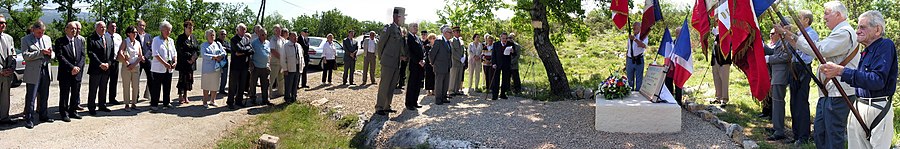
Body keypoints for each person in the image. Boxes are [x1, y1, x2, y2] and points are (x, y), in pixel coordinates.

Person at [777, 1, 859, 148]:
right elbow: (812, 48)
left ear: (838, 15)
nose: (823, 17)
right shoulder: (838, 32)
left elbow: (820, 49)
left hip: (839, 93)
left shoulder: (844, 32)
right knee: (820, 133)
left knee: (833, 135)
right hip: (829, 91)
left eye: (827, 13)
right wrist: (790, 35)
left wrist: (789, 34)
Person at [820, 10, 895, 149]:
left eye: (863, 27)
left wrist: (841, 71)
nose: (857, 31)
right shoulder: (865, 51)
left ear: (877, 30)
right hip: (859, 105)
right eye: (858, 27)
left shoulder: (885, 46)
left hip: (878, 107)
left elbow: (877, 80)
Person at [785, 9, 818, 145]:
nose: (797, 20)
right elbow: (793, 46)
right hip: (794, 67)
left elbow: (805, 51)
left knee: (801, 102)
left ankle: (803, 136)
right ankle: (796, 134)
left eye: (800, 18)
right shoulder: (799, 33)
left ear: (806, 20)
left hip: (803, 68)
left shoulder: (811, 34)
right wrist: (786, 33)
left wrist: (788, 34)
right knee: (793, 102)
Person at [374, 7, 408, 115]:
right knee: (385, 85)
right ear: (396, 17)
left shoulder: (399, 30)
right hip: (388, 62)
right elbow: (381, 44)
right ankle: (379, 107)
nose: (404, 19)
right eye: (403, 17)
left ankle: (387, 106)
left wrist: (401, 56)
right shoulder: (388, 28)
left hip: (396, 63)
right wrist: (382, 58)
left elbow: (399, 47)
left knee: (392, 85)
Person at [22, 20, 55, 128]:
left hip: (46, 69)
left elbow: (53, 53)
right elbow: (26, 55)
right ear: (33, 30)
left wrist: (50, 54)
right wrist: (40, 52)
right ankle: (29, 118)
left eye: (43, 32)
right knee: (31, 96)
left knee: (44, 95)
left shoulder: (47, 38)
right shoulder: (26, 39)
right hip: (33, 71)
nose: (41, 34)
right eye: (39, 32)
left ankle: (43, 115)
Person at [764, 28, 792, 141]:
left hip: (781, 74)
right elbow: (775, 52)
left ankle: (779, 130)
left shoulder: (788, 40)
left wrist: (769, 59)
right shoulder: (781, 40)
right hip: (776, 74)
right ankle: (776, 127)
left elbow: (786, 56)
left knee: (778, 102)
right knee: (776, 102)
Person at [54, 21, 84, 122]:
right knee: (64, 94)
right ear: (66, 29)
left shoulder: (79, 41)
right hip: (66, 72)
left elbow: (83, 56)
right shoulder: (60, 41)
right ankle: (64, 113)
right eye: (71, 28)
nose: (74, 30)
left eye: (75, 29)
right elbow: (60, 56)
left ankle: (73, 111)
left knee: (75, 93)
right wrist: (72, 68)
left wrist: (78, 67)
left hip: (77, 72)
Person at [150, 21, 178, 111]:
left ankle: (166, 102)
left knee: (167, 86)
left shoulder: (171, 40)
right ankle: (154, 104)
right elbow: (155, 54)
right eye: (166, 30)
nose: (168, 32)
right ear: (161, 30)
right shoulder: (156, 40)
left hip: (169, 68)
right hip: (158, 68)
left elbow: (174, 52)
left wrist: (175, 61)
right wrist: (164, 63)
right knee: (156, 87)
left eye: (169, 30)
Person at [86, 21, 112, 116]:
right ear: (96, 28)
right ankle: (91, 107)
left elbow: (111, 52)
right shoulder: (91, 38)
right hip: (96, 68)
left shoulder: (108, 38)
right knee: (93, 89)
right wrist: (100, 64)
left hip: (106, 68)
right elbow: (91, 53)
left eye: (104, 27)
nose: (103, 29)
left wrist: (108, 64)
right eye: (101, 27)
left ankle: (102, 105)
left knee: (103, 88)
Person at [117, 26, 143, 111]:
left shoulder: (138, 43)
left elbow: (140, 56)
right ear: (128, 33)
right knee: (126, 86)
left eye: (136, 32)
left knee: (135, 86)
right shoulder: (125, 41)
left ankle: (134, 103)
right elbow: (120, 52)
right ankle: (127, 104)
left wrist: (134, 64)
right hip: (126, 67)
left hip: (136, 66)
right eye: (133, 32)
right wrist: (127, 62)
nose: (135, 34)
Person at [228, 23, 253, 109]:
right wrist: (246, 50)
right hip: (235, 66)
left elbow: (252, 50)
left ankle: (239, 101)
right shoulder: (234, 39)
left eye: (244, 29)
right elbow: (238, 49)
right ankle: (230, 101)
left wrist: (242, 52)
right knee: (233, 85)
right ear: (237, 30)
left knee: (242, 85)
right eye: (241, 29)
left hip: (244, 66)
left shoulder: (246, 39)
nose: (243, 31)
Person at [201, 29, 226, 108]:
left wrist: (220, 56)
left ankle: (213, 100)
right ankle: (205, 101)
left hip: (217, 68)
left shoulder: (217, 44)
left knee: (215, 85)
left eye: (213, 35)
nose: (212, 36)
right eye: (210, 35)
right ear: (206, 36)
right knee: (206, 85)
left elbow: (224, 52)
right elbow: (203, 55)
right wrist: (214, 57)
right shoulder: (204, 45)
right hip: (207, 69)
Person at [175, 20, 199, 104]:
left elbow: (197, 49)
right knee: (182, 79)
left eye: (192, 28)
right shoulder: (181, 38)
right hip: (183, 62)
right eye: (189, 28)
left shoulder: (194, 38)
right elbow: (180, 50)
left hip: (191, 63)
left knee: (189, 79)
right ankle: (180, 96)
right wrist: (189, 57)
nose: (191, 29)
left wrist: (194, 58)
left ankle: (186, 96)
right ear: (185, 28)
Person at [429, 25, 453, 105]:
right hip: (439, 66)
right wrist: (433, 63)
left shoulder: (448, 42)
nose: (451, 34)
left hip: (447, 66)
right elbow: (432, 53)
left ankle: (443, 97)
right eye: (450, 32)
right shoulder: (439, 41)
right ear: (445, 33)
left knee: (445, 83)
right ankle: (438, 99)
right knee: (439, 83)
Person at [404, 23, 425, 111]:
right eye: (414, 26)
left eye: (416, 26)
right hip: (414, 64)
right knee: (412, 84)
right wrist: (418, 61)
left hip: (420, 65)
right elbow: (410, 52)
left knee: (417, 84)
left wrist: (423, 59)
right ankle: (409, 103)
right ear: (409, 28)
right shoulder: (409, 38)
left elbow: (422, 50)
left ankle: (415, 101)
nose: (416, 28)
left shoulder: (418, 38)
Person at [250, 28, 272, 106]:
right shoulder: (254, 43)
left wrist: (269, 64)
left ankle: (265, 100)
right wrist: (251, 64)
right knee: (253, 84)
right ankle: (253, 99)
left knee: (266, 84)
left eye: (265, 34)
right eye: (262, 34)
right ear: (259, 34)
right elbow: (250, 54)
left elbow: (269, 54)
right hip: (256, 67)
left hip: (265, 67)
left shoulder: (268, 43)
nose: (264, 36)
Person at [710, 28, 732, 106]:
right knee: (716, 78)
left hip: (724, 60)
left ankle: (724, 99)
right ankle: (718, 97)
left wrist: (717, 35)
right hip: (715, 59)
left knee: (724, 79)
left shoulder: (727, 29)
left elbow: (726, 42)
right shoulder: (717, 29)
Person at [281, 32, 305, 103]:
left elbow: (301, 57)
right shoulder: (285, 46)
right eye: (293, 36)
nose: (295, 38)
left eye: (296, 36)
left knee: (295, 84)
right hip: (289, 69)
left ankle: (294, 97)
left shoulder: (298, 46)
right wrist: (285, 69)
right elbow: (283, 59)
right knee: (288, 84)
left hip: (297, 67)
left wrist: (302, 66)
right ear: (290, 37)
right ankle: (287, 98)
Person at [490, 32, 514, 100]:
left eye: (506, 38)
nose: (505, 40)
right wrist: (493, 63)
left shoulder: (510, 44)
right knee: (496, 80)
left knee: (505, 80)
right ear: (500, 38)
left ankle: (503, 94)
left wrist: (512, 51)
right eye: (503, 38)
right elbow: (493, 55)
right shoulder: (496, 44)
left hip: (506, 64)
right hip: (497, 64)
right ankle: (495, 95)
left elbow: (514, 54)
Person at [0, 15, 14, 125]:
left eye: (4, 23)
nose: (3, 25)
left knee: (5, 97)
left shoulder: (9, 38)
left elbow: (13, 55)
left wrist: (12, 68)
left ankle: (4, 117)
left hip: (7, 74)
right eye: (0, 22)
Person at [105, 21, 123, 106]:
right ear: (108, 27)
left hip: (115, 61)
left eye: (115, 26)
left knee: (114, 81)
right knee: (104, 81)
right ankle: (102, 99)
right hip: (107, 61)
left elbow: (121, 49)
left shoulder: (118, 37)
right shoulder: (104, 36)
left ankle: (112, 98)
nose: (114, 28)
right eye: (112, 26)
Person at [626, 22, 648, 91]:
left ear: (640, 28)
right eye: (633, 27)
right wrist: (626, 60)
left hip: (639, 59)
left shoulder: (643, 36)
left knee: (639, 79)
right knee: (630, 79)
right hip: (630, 60)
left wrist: (635, 39)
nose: (634, 28)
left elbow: (643, 46)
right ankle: (630, 93)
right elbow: (628, 49)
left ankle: (638, 94)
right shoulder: (630, 37)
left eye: (636, 27)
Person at [137, 20, 155, 100]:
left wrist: (145, 57)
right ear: (137, 26)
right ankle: (135, 97)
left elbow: (151, 48)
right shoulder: (134, 36)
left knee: (151, 78)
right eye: (140, 25)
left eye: (143, 25)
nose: (142, 27)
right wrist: (140, 57)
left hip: (147, 60)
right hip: (137, 60)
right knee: (136, 79)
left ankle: (151, 96)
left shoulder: (148, 36)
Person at [268, 25, 286, 98]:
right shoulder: (273, 39)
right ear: (274, 31)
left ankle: (281, 92)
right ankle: (269, 94)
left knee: (281, 78)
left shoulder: (282, 39)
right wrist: (281, 57)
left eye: (280, 30)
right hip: (275, 62)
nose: (279, 31)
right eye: (277, 30)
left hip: (282, 63)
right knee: (272, 79)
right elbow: (272, 50)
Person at [448, 26, 465, 96]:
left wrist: (464, 57)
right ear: (453, 33)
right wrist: (459, 58)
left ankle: (457, 89)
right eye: (457, 32)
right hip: (454, 61)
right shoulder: (451, 41)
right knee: (453, 76)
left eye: (459, 32)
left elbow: (463, 50)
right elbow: (453, 52)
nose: (458, 33)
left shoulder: (461, 41)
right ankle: (451, 90)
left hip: (461, 61)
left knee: (459, 75)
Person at [217, 29, 231, 95]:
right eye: (222, 34)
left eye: (224, 34)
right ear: (219, 34)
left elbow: (230, 50)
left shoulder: (227, 42)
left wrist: (225, 48)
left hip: (225, 62)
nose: (223, 35)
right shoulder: (215, 42)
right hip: (216, 62)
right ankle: (213, 90)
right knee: (215, 77)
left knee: (224, 77)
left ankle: (222, 89)